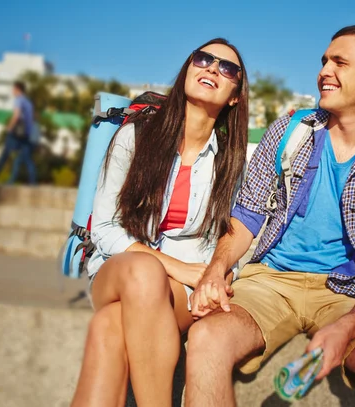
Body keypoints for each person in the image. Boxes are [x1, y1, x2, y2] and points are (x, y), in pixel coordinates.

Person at [186, 25, 355, 407]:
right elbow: (246, 215)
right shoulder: (290, 131)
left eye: (340, 62)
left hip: (348, 293)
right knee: (205, 338)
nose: (324, 71)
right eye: (324, 61)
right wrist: (215, 270)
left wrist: (347, 327)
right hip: (271, 282)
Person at [70, 38, 249, 407]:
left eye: (227, 68)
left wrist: (220, 274)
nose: (212, 68)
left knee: (109, 328)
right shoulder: (135, 137)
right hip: (117, 272)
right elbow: (104, 228)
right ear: (188, 70)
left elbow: (237, 235)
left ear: (235, 96)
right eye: (203, 59)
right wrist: (177, 268)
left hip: (184, 290)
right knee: (143, 272)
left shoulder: (230, 163)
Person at [0, 81, 37, 184]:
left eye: (13, 89)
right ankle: (33, 183)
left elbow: (16, 115)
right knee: (27, 159)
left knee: (4, 155)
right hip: (27, 134)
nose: (12, 91)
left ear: (17, 89)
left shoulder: (18, 100)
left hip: (16, 133)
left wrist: (9, 128)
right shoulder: (28, 102)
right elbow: (31, 119)